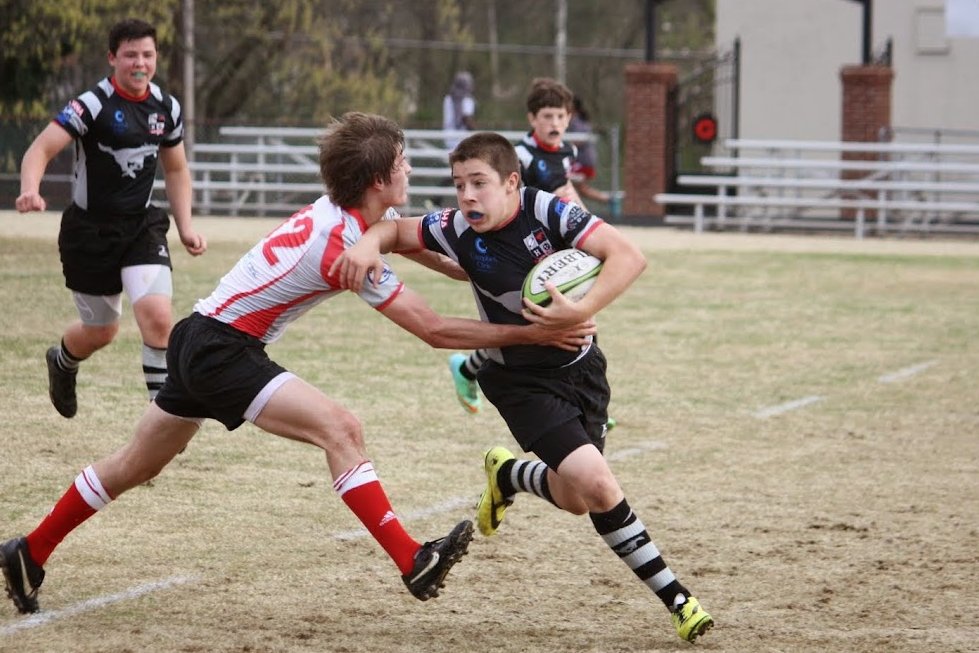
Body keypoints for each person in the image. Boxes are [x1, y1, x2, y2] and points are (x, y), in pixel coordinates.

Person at [0, 113, 597, 615]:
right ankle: (413, 560)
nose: (411, 171)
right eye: (404, 163)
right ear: (379, 179)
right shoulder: (345, 244)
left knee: (133, 464)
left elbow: (433, 249)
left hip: (200, 336)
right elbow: (435, 330)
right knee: (342, 428)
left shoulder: (351, 217)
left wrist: (505, 276)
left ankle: (29, 551)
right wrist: (532, 330)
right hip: (221, 349)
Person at [331, 131, 715, 644]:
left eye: (479, 183)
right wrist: (364, 243)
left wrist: (581, 309)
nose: (467, 195)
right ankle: (679, 599)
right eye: (459, 184)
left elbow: (628, 256)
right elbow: (391, 232)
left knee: (576, 496)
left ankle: (509, 474)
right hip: (517, 381)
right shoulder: (454, 228)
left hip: (582, 369)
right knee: (599, 486)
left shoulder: (548, 211)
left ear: (512, 183)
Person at [15, 18, 207, 419]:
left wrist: (186, 225)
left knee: (158, 319)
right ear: (112, 58)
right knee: (102, 331)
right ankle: (63, 361)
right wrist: (30, 188)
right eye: (131, 55)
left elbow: (175, 170)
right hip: (90, 232)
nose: (140, 63)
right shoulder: (91, 105)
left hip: (141, 225)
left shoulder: (166, 108)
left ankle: (161, 419)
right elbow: (40, 148)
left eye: (148, 54)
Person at [569, 95, 613, 206]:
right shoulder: (578, 120)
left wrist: (563, 145)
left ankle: (610, 201)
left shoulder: (576, 121)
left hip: (583, 161)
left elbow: (579, 140)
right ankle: (608, 200)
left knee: (569, 183)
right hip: (584, 160)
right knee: (579, 189)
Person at [442, 71, 476, 150]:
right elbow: (467, 119)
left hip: (448, 138)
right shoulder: (467, 100)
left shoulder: (447, 99)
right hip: (462, 140)